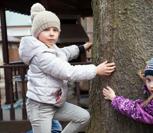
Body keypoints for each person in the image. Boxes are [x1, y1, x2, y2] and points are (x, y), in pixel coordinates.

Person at [19, 3, 115, 133]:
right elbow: (68, 72)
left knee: (83, 117)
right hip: (40, 107)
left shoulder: (51, 48)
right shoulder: (42, 54)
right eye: (46, 30)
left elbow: (64, 53)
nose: (52, 34)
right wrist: (96, 70)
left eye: (55, 30)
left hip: (54, 103)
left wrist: (81, 48)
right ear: (36, 33)